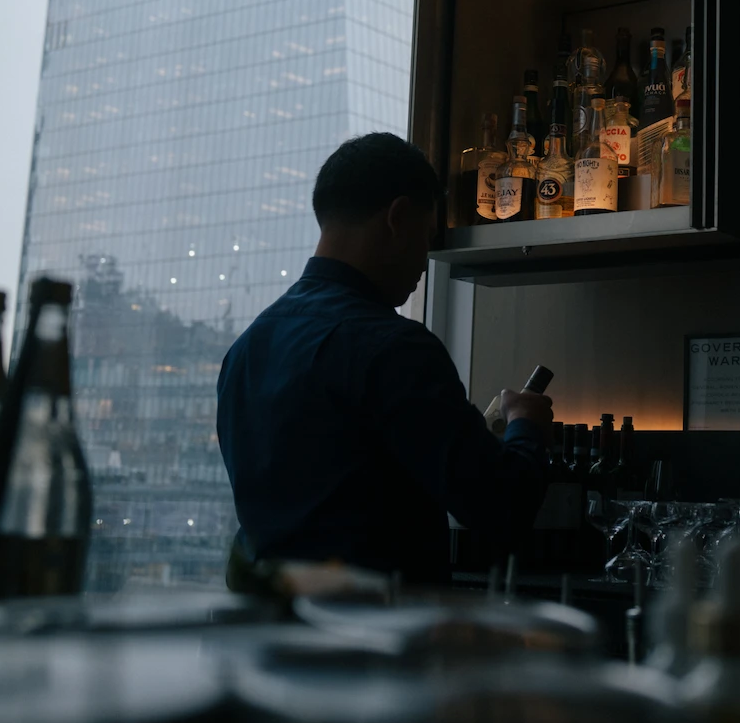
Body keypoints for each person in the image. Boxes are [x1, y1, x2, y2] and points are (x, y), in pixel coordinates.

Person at [216, 132, 553, 583]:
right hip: (373, 637)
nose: (425, 261)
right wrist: (525, 425)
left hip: (265, 631)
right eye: (426, 237)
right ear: (397, 217)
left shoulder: (246, 349)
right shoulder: (395, 348)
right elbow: (500, 508)